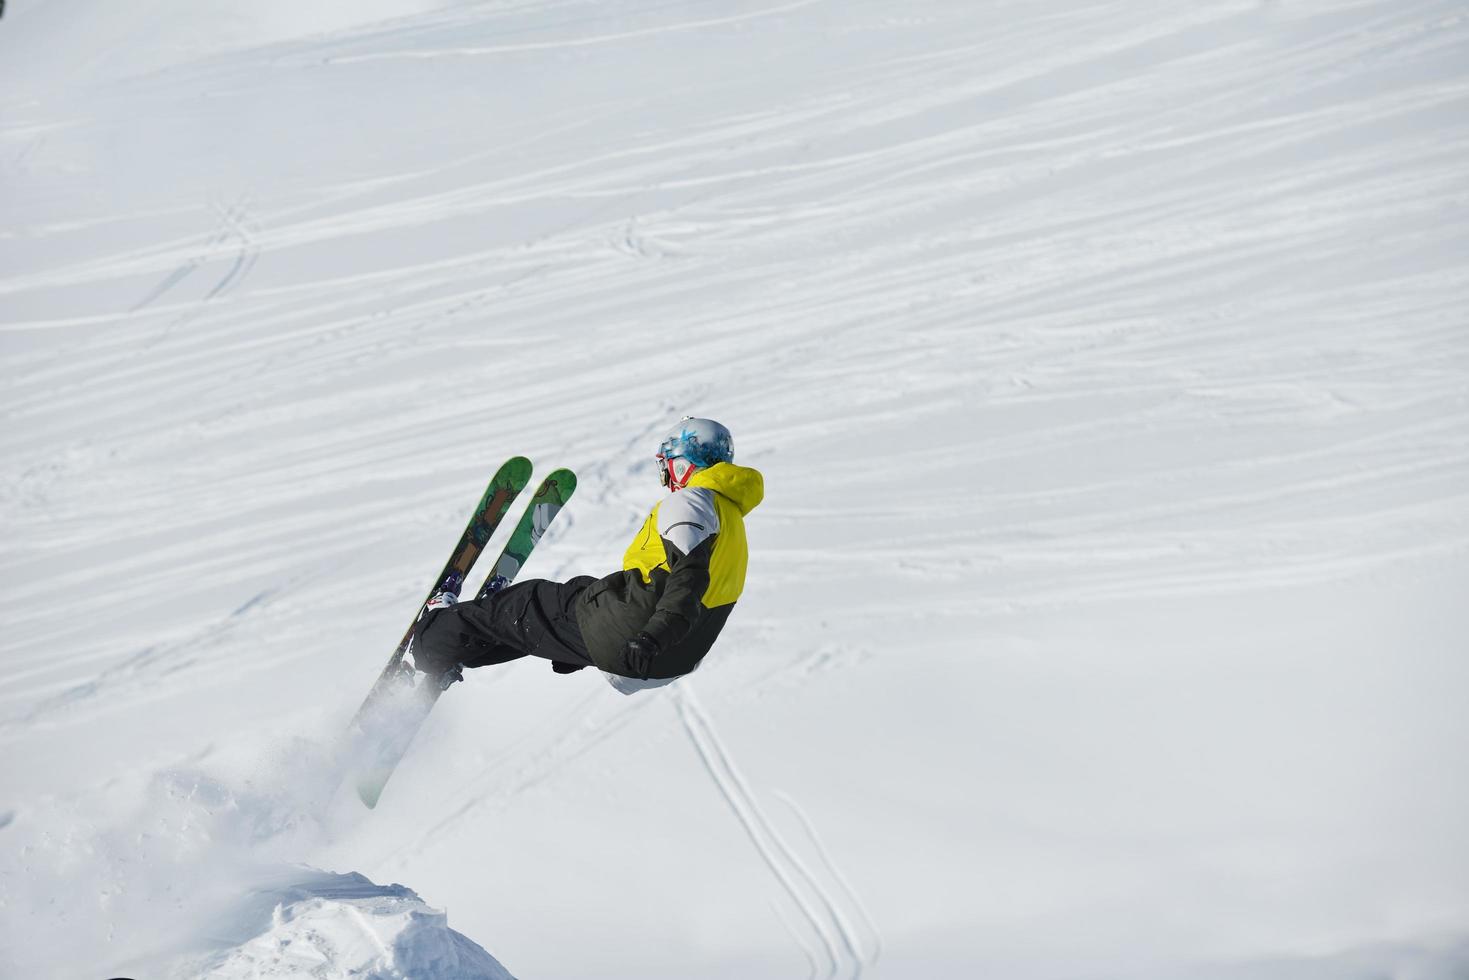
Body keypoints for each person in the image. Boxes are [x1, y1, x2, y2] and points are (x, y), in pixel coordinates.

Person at [411, 417, 763, 694]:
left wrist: (651, 636)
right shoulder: (732, 522)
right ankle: (466, 648)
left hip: (640, 636)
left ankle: (431, 640)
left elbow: (688, 582)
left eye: (669, 463)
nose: (667, 475)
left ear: (685, 463)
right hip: (669, 658)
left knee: (524, 602)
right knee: (561, 607)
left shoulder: (691, 502)